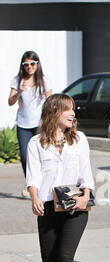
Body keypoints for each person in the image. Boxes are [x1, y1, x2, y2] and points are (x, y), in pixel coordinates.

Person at [26, 93, 95, 262]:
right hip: (48, 207)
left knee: (65, 259)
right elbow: (33, 176)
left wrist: (86, 196)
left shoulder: (79, 139)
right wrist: (34, 197)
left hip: (75, 206)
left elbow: (86, 171)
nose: (73, 113)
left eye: (74, 109)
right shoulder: (36, 143)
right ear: (54, 112)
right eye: (68, 109)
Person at [8, 50, 52, 198]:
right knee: (25, 156)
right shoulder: (17, 80)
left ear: (37, 64)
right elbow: (10, 102)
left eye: (32, 64)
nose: (29, 67)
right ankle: (31, 186)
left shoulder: (44, 80)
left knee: (42, 155)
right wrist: (19, 92)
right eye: (26, 64)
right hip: (23, 124)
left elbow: (51, 102)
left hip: (40, 124)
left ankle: (44, 185)